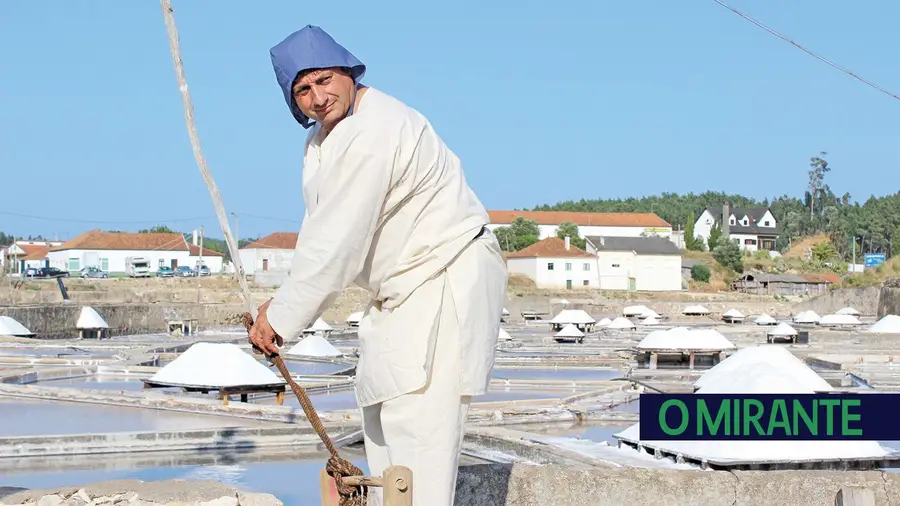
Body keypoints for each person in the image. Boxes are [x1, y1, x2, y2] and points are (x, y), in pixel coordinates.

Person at [248, 25, 508, 506]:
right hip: (401, 290)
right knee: (385, 420)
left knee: (420, 427)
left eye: (324, 80)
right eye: (302, 89)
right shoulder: (327, 139)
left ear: (348, 73)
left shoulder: (375, 130)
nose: (317, 97)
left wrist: (281, 319)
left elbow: (336, 243)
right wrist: (279, 301)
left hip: (441, 275)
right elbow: (320, 232)